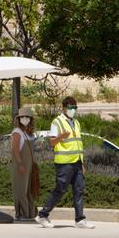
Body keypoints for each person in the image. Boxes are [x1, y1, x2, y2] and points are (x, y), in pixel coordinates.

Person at [36, 96, 95, 229]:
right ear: (63, 108)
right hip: (64, 163)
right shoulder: (57, 122)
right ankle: (42, 215)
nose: (72, 110)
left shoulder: (76, 122)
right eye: (70, 108)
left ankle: (80, 219)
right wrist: (61, 137)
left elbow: (78, 144)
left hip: (77, 162)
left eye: (74, 107)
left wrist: (82, 162)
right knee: (60, 189)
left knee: (79, 189)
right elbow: (51, 142)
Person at [11, 106, 39, 221]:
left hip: (30, 166)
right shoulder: (17, 132)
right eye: (22, 117)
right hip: (21, 166)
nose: (25, 119)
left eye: (27, 117)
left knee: (30, 190)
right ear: (19, 119)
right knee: (21, 190)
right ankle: (22, 213)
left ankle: (30, 213)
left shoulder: (30, 133)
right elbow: (16, 150)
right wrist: (20, 164)